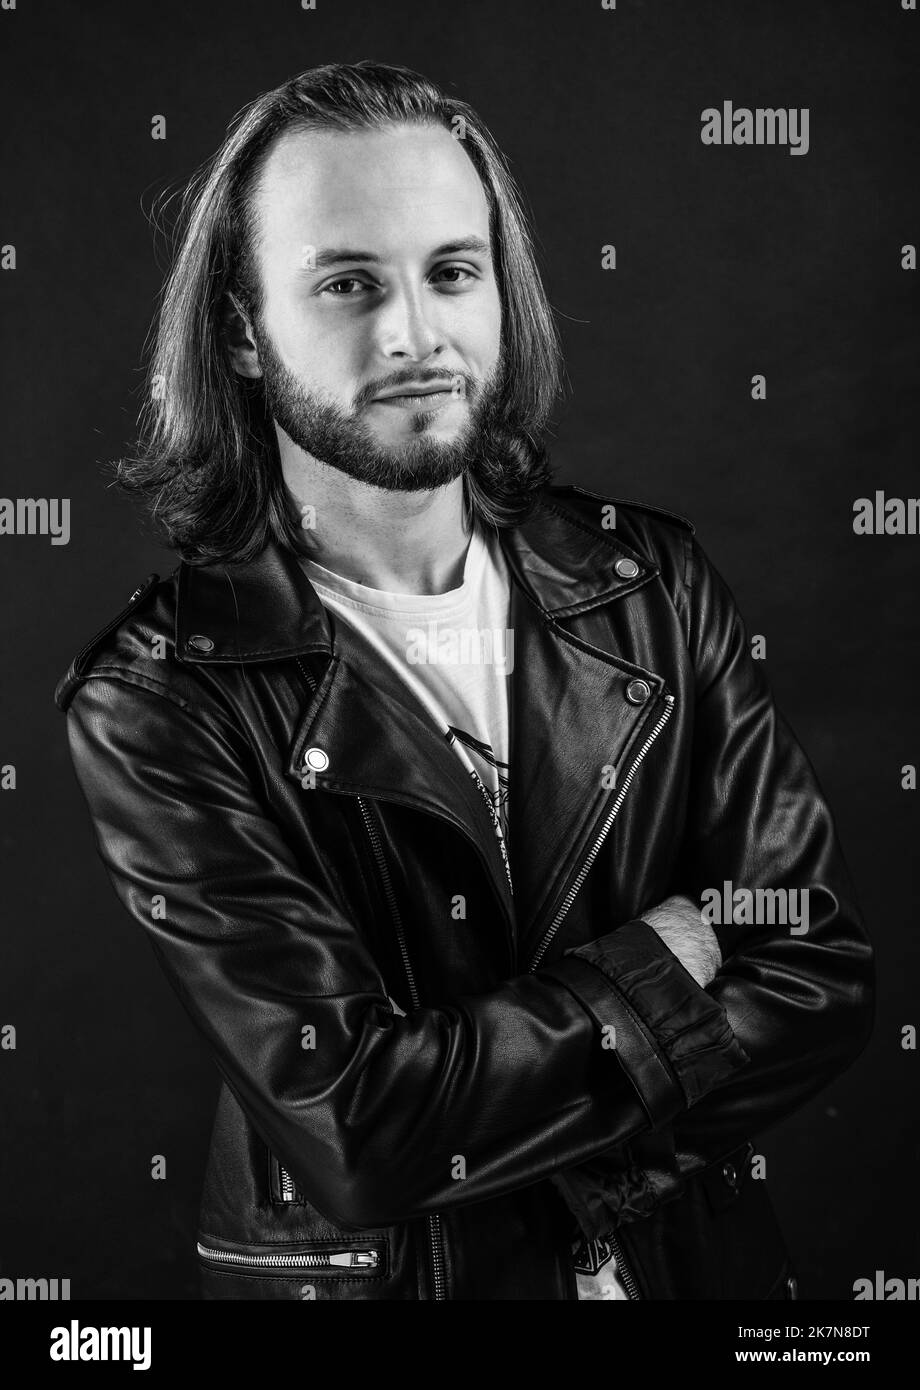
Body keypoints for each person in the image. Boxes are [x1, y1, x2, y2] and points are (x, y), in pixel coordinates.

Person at [55, 61, 873, 1301]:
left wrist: (513, 1109)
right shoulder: (158, 695)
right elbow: (359, 1127)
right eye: (346, 283)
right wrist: (671, 958)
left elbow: (814, 971)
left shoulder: (646, 579)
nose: (413, 334)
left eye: (450, 271)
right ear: (239, 329)